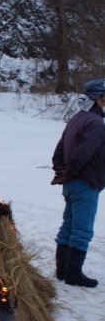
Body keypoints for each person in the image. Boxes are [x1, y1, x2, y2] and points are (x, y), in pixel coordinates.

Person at [52, 78, 105, 287]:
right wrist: (69, 172)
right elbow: (84, 152)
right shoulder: (95, 123)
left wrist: (61, 170)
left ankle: (62, 271)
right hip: (86, 181)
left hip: (72, 183)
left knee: (69, 225)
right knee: (82, 229)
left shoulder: (76, 118)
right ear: (99, 98)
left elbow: (60, 148)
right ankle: (73, 274)